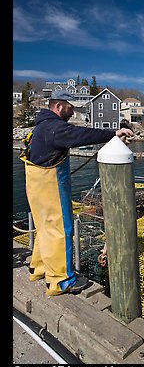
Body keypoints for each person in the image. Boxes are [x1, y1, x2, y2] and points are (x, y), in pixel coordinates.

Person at [21, 90, 134, 297]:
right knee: (61, 231)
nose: (73, 112)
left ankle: (39, 268)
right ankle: (62, 281)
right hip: (51, 188)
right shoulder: (55, 128)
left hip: (36, 189)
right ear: (59, 106)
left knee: (45, 227)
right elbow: (82, 135)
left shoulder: (41, 127)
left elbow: (76, 133)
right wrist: (114, 133)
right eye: (71, 108)